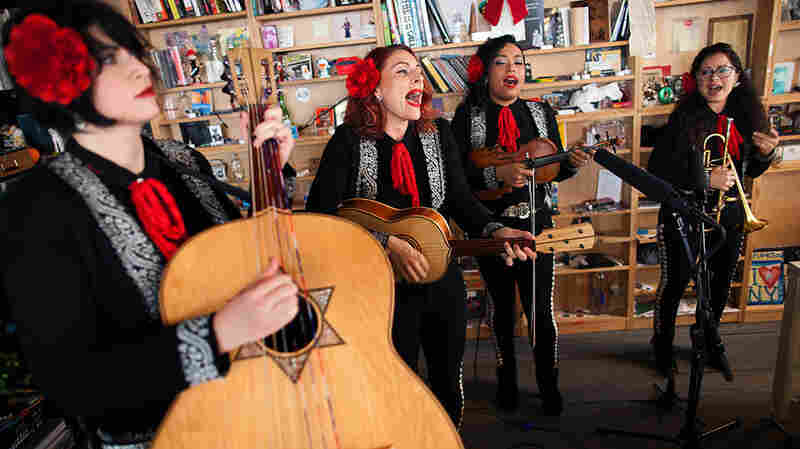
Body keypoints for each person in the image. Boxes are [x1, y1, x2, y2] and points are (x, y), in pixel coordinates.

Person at [0, 4, 299, 447]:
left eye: (133, 52)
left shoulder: (182, 161)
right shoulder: (37, 206)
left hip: (254, 410)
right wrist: (220, 332)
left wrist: (273, 170)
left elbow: (246, 258)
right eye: (108, 60)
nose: (140, 68)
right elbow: (72, 382)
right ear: (61, 81)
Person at [305, 44, 537, 430]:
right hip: (378, 292)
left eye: (418, 71)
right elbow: (320, 217)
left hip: (441, 278)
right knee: (396, 381)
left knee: (449, 381)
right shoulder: (347, 142)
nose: (418, 78)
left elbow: (462, 201)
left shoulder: (438, 134)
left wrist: (496, 230)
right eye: (402, 71)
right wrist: (386, 243)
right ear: (375, 88)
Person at [450, 35, 592, 415]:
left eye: (519, 62)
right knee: (500, 310)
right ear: (485, 70)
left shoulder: (543, 112)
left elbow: (553, 171)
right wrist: (498, 176)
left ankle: (549, 384)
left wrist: (571, 164)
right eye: (502, 61)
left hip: (536, 226)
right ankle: (506, 380)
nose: (513, 69)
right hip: (492, 229)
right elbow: (459, 177)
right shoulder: (468, 116)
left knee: (539, 311)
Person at [647, 42, 780, 381]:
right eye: (705, 72)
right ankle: (661, 346)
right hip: (684, 216)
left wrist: (765, 154)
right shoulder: (682, 119)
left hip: (729, 216)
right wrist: (704, 178)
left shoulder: (750, 117)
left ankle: (707, 339)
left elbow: (751, 172)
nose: (714, 78)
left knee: (719, 286)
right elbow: (657, 168)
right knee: (673, 285)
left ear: (737, 77)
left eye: (723, 70)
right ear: (696, 80)